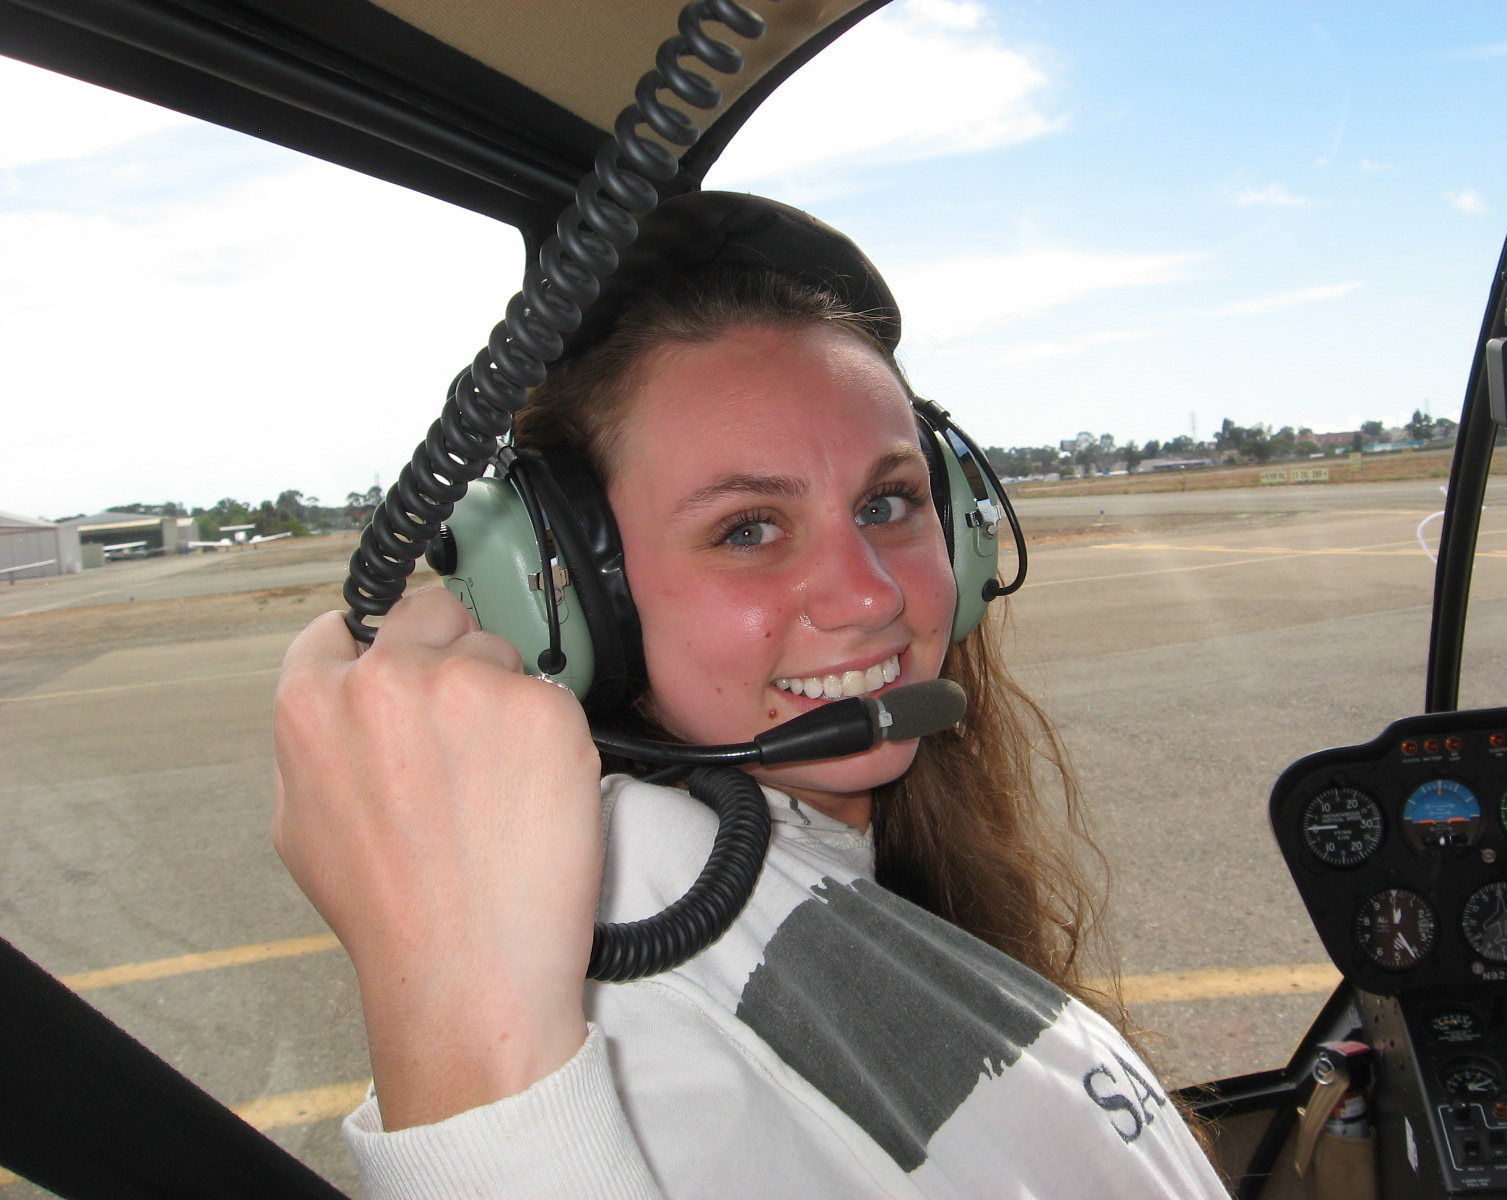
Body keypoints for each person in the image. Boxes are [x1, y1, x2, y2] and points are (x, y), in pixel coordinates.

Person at [272, 193, 1228, 1198]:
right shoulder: (618, 948)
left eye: (888, 502)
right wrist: (464, 1020)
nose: (872, 594)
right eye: (747, 529)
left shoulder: (863, 868)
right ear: (577, 598)